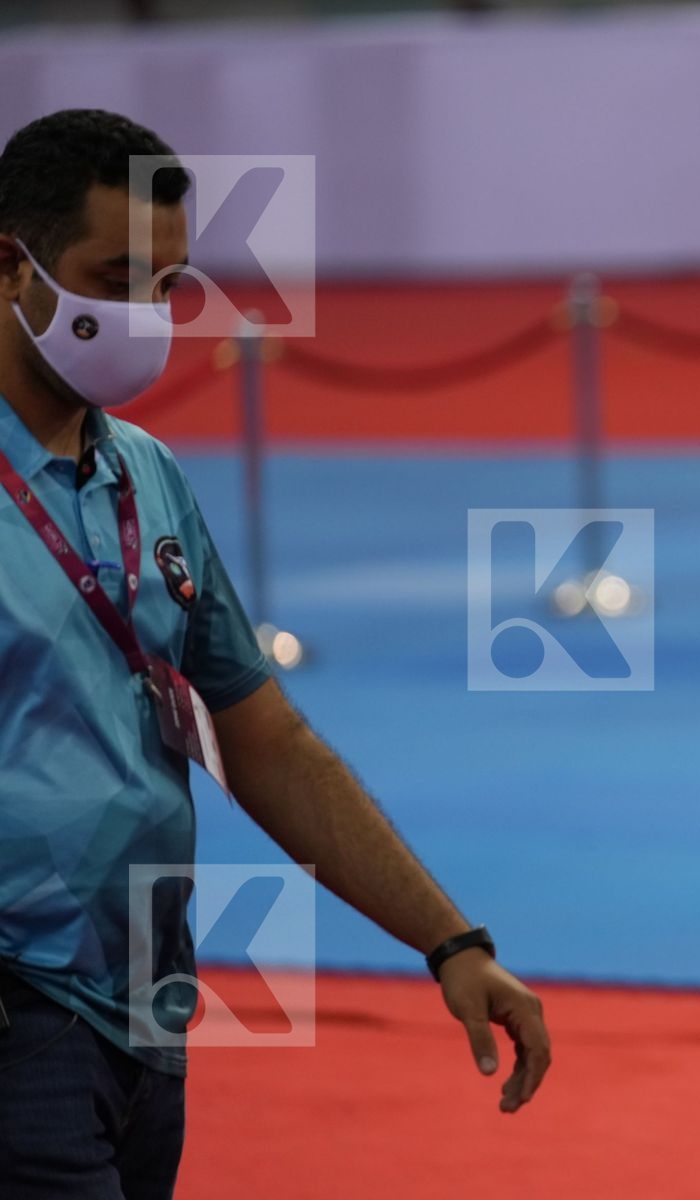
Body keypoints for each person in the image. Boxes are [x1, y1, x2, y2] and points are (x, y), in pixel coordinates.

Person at [0, 109, 551, 1199]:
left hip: (148, 1004)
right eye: (114, 278)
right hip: (23, 1012)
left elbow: (268, 740)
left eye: (168, 284)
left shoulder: (146, 474)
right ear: (12, 267)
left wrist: (450, 941)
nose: (147, 316)